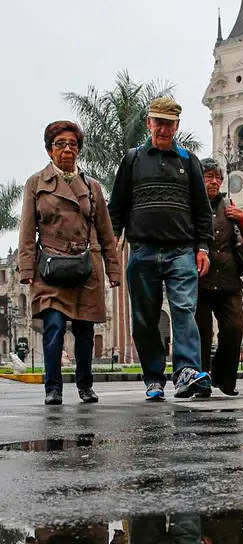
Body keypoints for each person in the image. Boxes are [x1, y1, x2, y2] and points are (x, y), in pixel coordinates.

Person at [108, 97, 214, 401]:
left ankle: (186, 373)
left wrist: (203, 247)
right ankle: (154, 378)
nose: (163, 128)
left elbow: (201, 210)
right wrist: (114, 242)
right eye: (158, 122)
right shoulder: (132, 160)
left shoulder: (188, 161)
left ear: (177, 126)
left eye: (169, 123)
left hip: (181, 250)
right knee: (144, 317)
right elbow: (117, 206)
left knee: (184, 310)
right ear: (149, 123)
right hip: (142, 250)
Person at [17, 121, 122, 406]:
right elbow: (27, 231)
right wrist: (26, 269)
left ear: (79, 150)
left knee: (85, 330)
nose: (67, 149)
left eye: (72, 144)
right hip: (50, 266)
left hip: (85, 266)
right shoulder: (35, 183)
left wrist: (113, 270)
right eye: (60, 144)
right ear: (49, 149)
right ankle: (53, 388)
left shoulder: (92, 187)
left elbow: (106, 231)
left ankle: (85, 385)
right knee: (53, 326)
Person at [192, 158, 243, 398]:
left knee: (235, 326)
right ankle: (201, 380)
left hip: (229, 278)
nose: (214, 182)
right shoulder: (192, 206)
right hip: (200, 279)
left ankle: (224, 377)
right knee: (202, 332)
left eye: (218, 178)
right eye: (209, 177)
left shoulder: (229, 205)